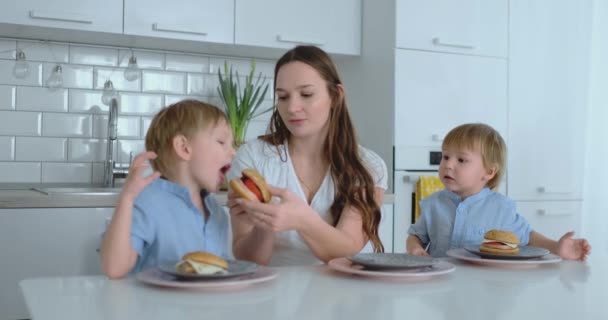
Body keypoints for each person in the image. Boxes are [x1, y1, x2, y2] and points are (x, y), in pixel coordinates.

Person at [227, 45, 388, 266]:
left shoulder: (369, 166)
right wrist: (265, 224)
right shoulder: (253, 157)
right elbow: (248, 259)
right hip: (272, 292)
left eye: (306, 94)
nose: (292, 107)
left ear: (335, 95)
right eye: (283, 97)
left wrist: (302, 219)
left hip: (344, 294)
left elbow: (347, 251)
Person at [406, 123, 591, 261]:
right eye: (445, 156)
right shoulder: (432, 204)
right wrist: (415, 249)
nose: (448, 164)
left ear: (489, 172)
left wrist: (557, 247)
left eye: (461, 160)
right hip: (441, 287)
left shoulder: (502, 208)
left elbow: (529, 237)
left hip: (483, 288)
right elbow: (416, 236)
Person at [100, 100, 235, 279]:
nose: (233, 152)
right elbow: (114, 269)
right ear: (184, 148)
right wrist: (127, 198)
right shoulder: (147, 202)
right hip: (152, 306)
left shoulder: (217, 213)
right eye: (222, 142)